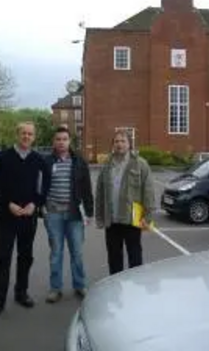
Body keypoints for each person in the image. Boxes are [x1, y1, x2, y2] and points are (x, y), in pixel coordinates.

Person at [0, 121, 47, 321]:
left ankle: (21, 292)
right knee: (3, 258)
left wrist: (34, 204)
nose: (26, 137)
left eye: (30, 134)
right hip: (7, 216)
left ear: (34, 137)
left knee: (25, 256)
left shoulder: (39, 160)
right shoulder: (3, 157)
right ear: (17, 135)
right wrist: (7, 203)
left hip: (28, 217)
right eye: (23, 133)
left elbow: (44, 186)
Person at [42, 126, 93, 303]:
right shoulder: (47, 162)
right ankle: (55, 288)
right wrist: (42, 208)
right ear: (54, 142)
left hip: (75, 215)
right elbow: (40, 187)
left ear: (69, 141)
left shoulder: (79, 161)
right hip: (53, 214)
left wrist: (90, 212)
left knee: (77, 253)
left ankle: (79, 285)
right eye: (58, 139)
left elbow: (87, 189)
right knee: (56, 253)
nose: (61, 142)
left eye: (64, 139)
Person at [95, 129, 156, 275]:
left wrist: (147, 218)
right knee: (114, 258)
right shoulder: (106, 165)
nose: (119, 144)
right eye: (116, 141)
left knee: (135, 257)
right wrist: (100, 217)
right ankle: (116, 289)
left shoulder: (140, 165)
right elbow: (100, 192)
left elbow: (148, 193)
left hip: (132, 219)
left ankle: (135, 290)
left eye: (123, 141)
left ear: (129, 144)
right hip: (112, 220)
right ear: (113, 144)